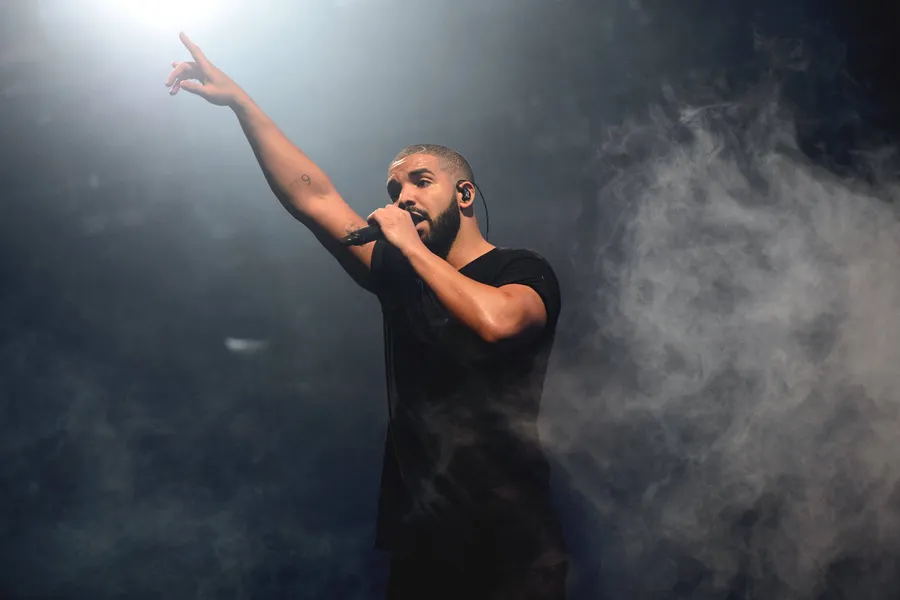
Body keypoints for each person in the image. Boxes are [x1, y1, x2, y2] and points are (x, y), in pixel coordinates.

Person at [166, 33, 568, 599]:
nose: (402, 198)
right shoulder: (400, 273)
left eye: (421, 182)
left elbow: (498, 322)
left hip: (513, 546)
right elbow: (314, 197)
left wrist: (409, 248)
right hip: (422, 544)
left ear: (465, 195)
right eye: (394, 189)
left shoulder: (521, 269)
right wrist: (239, 102)